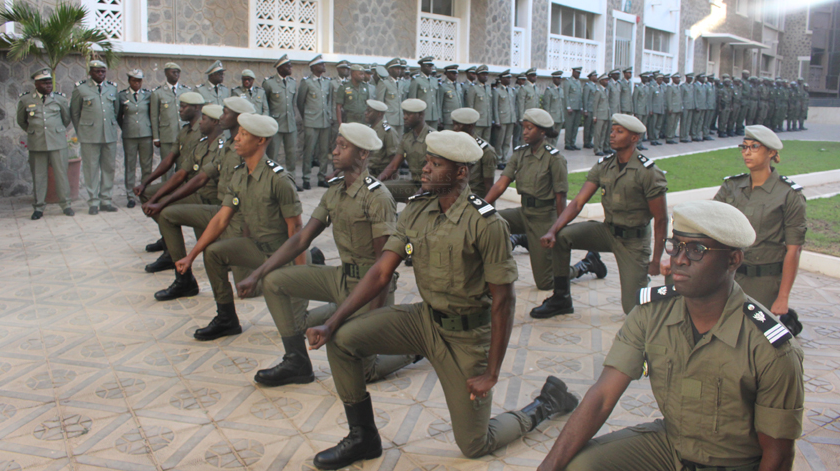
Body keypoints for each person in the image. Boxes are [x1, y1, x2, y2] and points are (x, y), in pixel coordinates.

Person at [305, 130, 579, 470]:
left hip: (467, 337)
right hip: (424, 320)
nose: (425, 169)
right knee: (343, 340)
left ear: (461, 173)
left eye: (436, 164)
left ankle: (546, 403)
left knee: (475, 444)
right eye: (426, 162)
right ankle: (363, 437)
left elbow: (503, 303)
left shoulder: (486, 223)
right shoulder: (416, 211)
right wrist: (332, 323)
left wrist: (492, 372)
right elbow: (380, 273)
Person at [536, 200, 804, 471]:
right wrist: (549, 466)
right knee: (579, 466)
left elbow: (778, 455)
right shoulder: (651, 313)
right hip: (670, 447)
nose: (679, 259)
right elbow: (603, 396)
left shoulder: (771, 348)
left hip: (733, 462)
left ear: (733, 260)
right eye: (676, 245)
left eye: (697, 250)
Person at [234, 122, 416, 387]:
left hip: (370, 287)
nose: (335, 151)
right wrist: (257, 274)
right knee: (274, 282)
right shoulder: (335, 190)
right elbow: (302, 238)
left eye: (343, 146)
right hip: (341, 277)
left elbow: (382, 269)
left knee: (362, 371)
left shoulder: (377, 197)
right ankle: (296, 361)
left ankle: (413, 348)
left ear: (363, 154)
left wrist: (369, 323)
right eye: (336, 145)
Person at [174, 113, 304, 341]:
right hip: (256, 248)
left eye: (244, 135)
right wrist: (191, 256)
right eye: (238, 133)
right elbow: (221, 219)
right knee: (213, 252)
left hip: (281, 255)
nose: (236, 138)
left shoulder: (279, 180)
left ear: (260, 141)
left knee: (295, 326)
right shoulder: (240, 175)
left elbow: (297, 231)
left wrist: (301, 276)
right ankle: (226, 319)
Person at [534, 114, 668, 318]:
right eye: (612, 130)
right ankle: (561, 299)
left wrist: (656, 259)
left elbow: (661, 219)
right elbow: (578, 202)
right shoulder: (604, 165)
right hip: (607, 232)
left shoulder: (648, 171)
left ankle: (667, 294)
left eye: (619, 132)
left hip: (634, 242)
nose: (612, 135)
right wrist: (553, 230)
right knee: (561, 237)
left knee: (632, 309)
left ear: (634, 138)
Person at [147, 97, 256, 301]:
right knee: (168, 215)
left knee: (250, 287)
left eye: (226, 113)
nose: (221, 116)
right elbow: (201, 177)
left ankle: (313, 256)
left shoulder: (247, 149)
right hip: (222, 211)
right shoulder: (229, 146)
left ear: (239, 118)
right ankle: (184, 280)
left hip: (239, 218)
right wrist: (164, 202)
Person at [712, 125, 806, 334]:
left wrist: (783, 297)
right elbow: (712, 224)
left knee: (753, 337)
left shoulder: (788, 194)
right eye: (744, 147)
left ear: (772, 153)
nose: (747, 152)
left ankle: (784, 317)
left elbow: (794, 249)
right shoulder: (732, 187)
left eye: (754, 147)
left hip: (764, 280)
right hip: (730, 274)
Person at [483, 109, 580, 292]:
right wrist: (480, 209)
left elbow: (561, 197)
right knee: (487, 222)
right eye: (524, 128)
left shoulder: (554, 159)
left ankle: (584, 266)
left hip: (544, 218)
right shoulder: (520, 154)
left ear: (542, 132)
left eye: (530, 128)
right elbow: (500, 185)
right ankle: (518, 241)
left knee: (545, 283)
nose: (525, 132)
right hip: (523, 213)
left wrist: (558, 230)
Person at [135, 91, 207, 273]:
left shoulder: (203, 131)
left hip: (195, 185)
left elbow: (182, 174)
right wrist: (146, 182)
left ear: (197, 108)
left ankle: (174, 254)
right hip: (183, 182)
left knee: (163, 207)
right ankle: (168, 242)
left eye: (184, 107)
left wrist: (158, 199)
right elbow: (170, 158)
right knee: (146, 194)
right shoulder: (185, 130)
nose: (180, 110)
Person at [16, 68, 74, 219]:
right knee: (39, 175)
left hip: (57, 142)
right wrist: (34, 131)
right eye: (44, 82)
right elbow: (21, 121)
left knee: (61, 174)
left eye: (50, 82)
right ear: (36, 83)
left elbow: (66, 119)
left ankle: (66, 205)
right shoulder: (26, 100)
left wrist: (56, 131)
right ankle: (39, 207)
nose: (48, 85)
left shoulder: (60, 99)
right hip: (37, 143)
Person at [70, 59, 121, 215]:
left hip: (109, 135)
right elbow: (75, 112)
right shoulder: (81, 89)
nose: (100, 74)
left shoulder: (112, 88)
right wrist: (82, 131)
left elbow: (116, 110)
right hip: (89, 135)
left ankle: (106, 200)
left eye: (103, 71)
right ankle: (93, 201)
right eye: (97, 71)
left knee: (108, 168)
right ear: (90, 72)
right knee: (91, 169)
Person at [378, 98, 435, 203]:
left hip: (431, 187)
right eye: (404, 114)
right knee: (380, 189)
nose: (404, 117)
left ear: (421, 115)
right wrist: (376, 182)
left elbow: (435, 171)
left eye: (409, 114)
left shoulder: (433, 137)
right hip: (414, 184)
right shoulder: (406, 138)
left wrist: (417, 195)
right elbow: (394, 165)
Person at [297, 54, 334, 190]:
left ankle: (322, 177)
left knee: (324, 151)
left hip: (324, 121)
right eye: (321, 64)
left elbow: (329, 100)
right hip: (311, 121)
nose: (323, 66)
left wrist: (329, 115)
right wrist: (306, 117)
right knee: (309, 151)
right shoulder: (306, 82)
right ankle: (306, 178)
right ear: (313, 67)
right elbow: (300, 102)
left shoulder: (327, 82)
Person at [150, 62, 191, 181]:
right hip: (167, 136)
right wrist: (156, 137)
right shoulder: (158, 92)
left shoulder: (185, 91)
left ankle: (179, 194)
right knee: (167, 167)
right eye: (173, 72)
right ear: (166, 73)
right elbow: (154, 116)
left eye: (178, 72)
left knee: (182, 166)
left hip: (183, 135)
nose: (176, 74)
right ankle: (165, 194)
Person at [118, 68, 153, 208]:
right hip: (129, 135)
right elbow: (118, 116)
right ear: (129, 81)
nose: (137, 83)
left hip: (146, 134)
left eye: (139, 81)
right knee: (130, 165)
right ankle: (131, 195)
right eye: (134, 81)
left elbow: (151, 114)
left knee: (146, 165)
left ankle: (146, 193)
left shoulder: (148, 95)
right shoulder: (122, 96)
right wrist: (126, 127)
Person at [263, 55, 299, 183]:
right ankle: (270, 180)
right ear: (280, 68)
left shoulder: (293, 82)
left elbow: (293, 102)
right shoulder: (269, 83)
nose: (291, 68)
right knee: (273, 154)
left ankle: (291, 180)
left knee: (291, 155)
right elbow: (265, 103)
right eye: (288, 66)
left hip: (290, 124)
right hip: (275, 124)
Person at [452, 108, 496, 198]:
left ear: (470, 126)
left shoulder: (485, 151)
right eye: (454, 124)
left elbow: (489, 186)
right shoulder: (451, 145)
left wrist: (487, 209)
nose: (454, 128)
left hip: (473, 199)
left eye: (458, 125)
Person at [364, 100, 399, 177]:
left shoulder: (388, 132)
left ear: (379, 114)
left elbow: (394, 160)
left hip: (379, 174)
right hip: (367, 171)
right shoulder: (369, 129)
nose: (365, 113)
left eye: (369, 111)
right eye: (366, 110)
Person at [410, 56, 441, 129]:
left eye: (431, 66)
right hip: (422, 115)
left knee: (434, 137)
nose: (430, 68)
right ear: (422, 67)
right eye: (428, 66)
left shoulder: (434, 81)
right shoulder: (417, 80)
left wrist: (438, 115)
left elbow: (437, 100)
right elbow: (412, 100)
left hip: (434, 115)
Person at [465, 65, 493, 139]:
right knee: (476, 141)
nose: (485, 76)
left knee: (486, 143)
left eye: (486, 74)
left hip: (487, 121)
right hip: (478, 121)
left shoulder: (488, 88)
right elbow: (470, 105)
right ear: (477, 75)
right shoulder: (473, 87)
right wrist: (471, 121)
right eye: (483, 74)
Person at [563, 66, 583, 150]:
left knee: (575, 127)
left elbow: (579, 96)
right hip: (571, 107)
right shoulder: (568, 81)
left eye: (579, 73)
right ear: (573, 72)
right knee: (569, 126)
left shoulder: (578, 82)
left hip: (577, 107)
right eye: (577, 73)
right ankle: (567, 143)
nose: (578, 74)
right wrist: (568, 106)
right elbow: (566, 95)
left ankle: (573, 142)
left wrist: (581, 107)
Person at [591, 74, 611, 157]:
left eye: (607, 80)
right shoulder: (598, 91)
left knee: (604, 133)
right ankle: (597, 149)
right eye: (605, 80)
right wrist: (594, 116)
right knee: (598, 133)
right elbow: (595, 104)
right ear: (601, 81)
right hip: (599, 115)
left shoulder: (606, 91)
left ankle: (601, 148)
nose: (607, 81)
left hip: (606, 115)